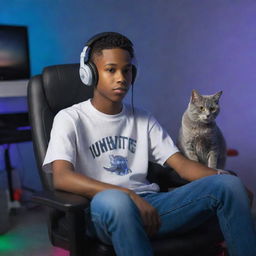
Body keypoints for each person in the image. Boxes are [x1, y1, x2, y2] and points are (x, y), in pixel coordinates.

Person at [43, 32, 256, 256]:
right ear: (90, 73)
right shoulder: (69, 118)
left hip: (152, 208)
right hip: (103, 211)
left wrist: (227, 179)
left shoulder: (143, 119)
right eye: (111, 69)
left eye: (126, 70)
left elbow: (182, 166)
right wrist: (128, 196)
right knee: (117, 202)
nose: (121, 78)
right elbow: (62, 177)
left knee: (229, 184)